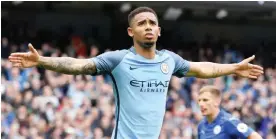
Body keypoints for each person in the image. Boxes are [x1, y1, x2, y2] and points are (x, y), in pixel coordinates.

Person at [8, 7, 263, 139]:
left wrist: (234, 67)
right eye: (142, 23)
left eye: (153, 23)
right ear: (131, 32)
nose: (148, 27)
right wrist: (42, 61)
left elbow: (201, 68)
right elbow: (78, 65)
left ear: (159, 31)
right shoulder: (118, 59)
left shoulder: (169, 61)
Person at [197, 85, 263, 139]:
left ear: (216, 102)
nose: (201, 104)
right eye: (199, 100)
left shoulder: (228, 122)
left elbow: (255, 137)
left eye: (205, 100)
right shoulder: (201, 126)